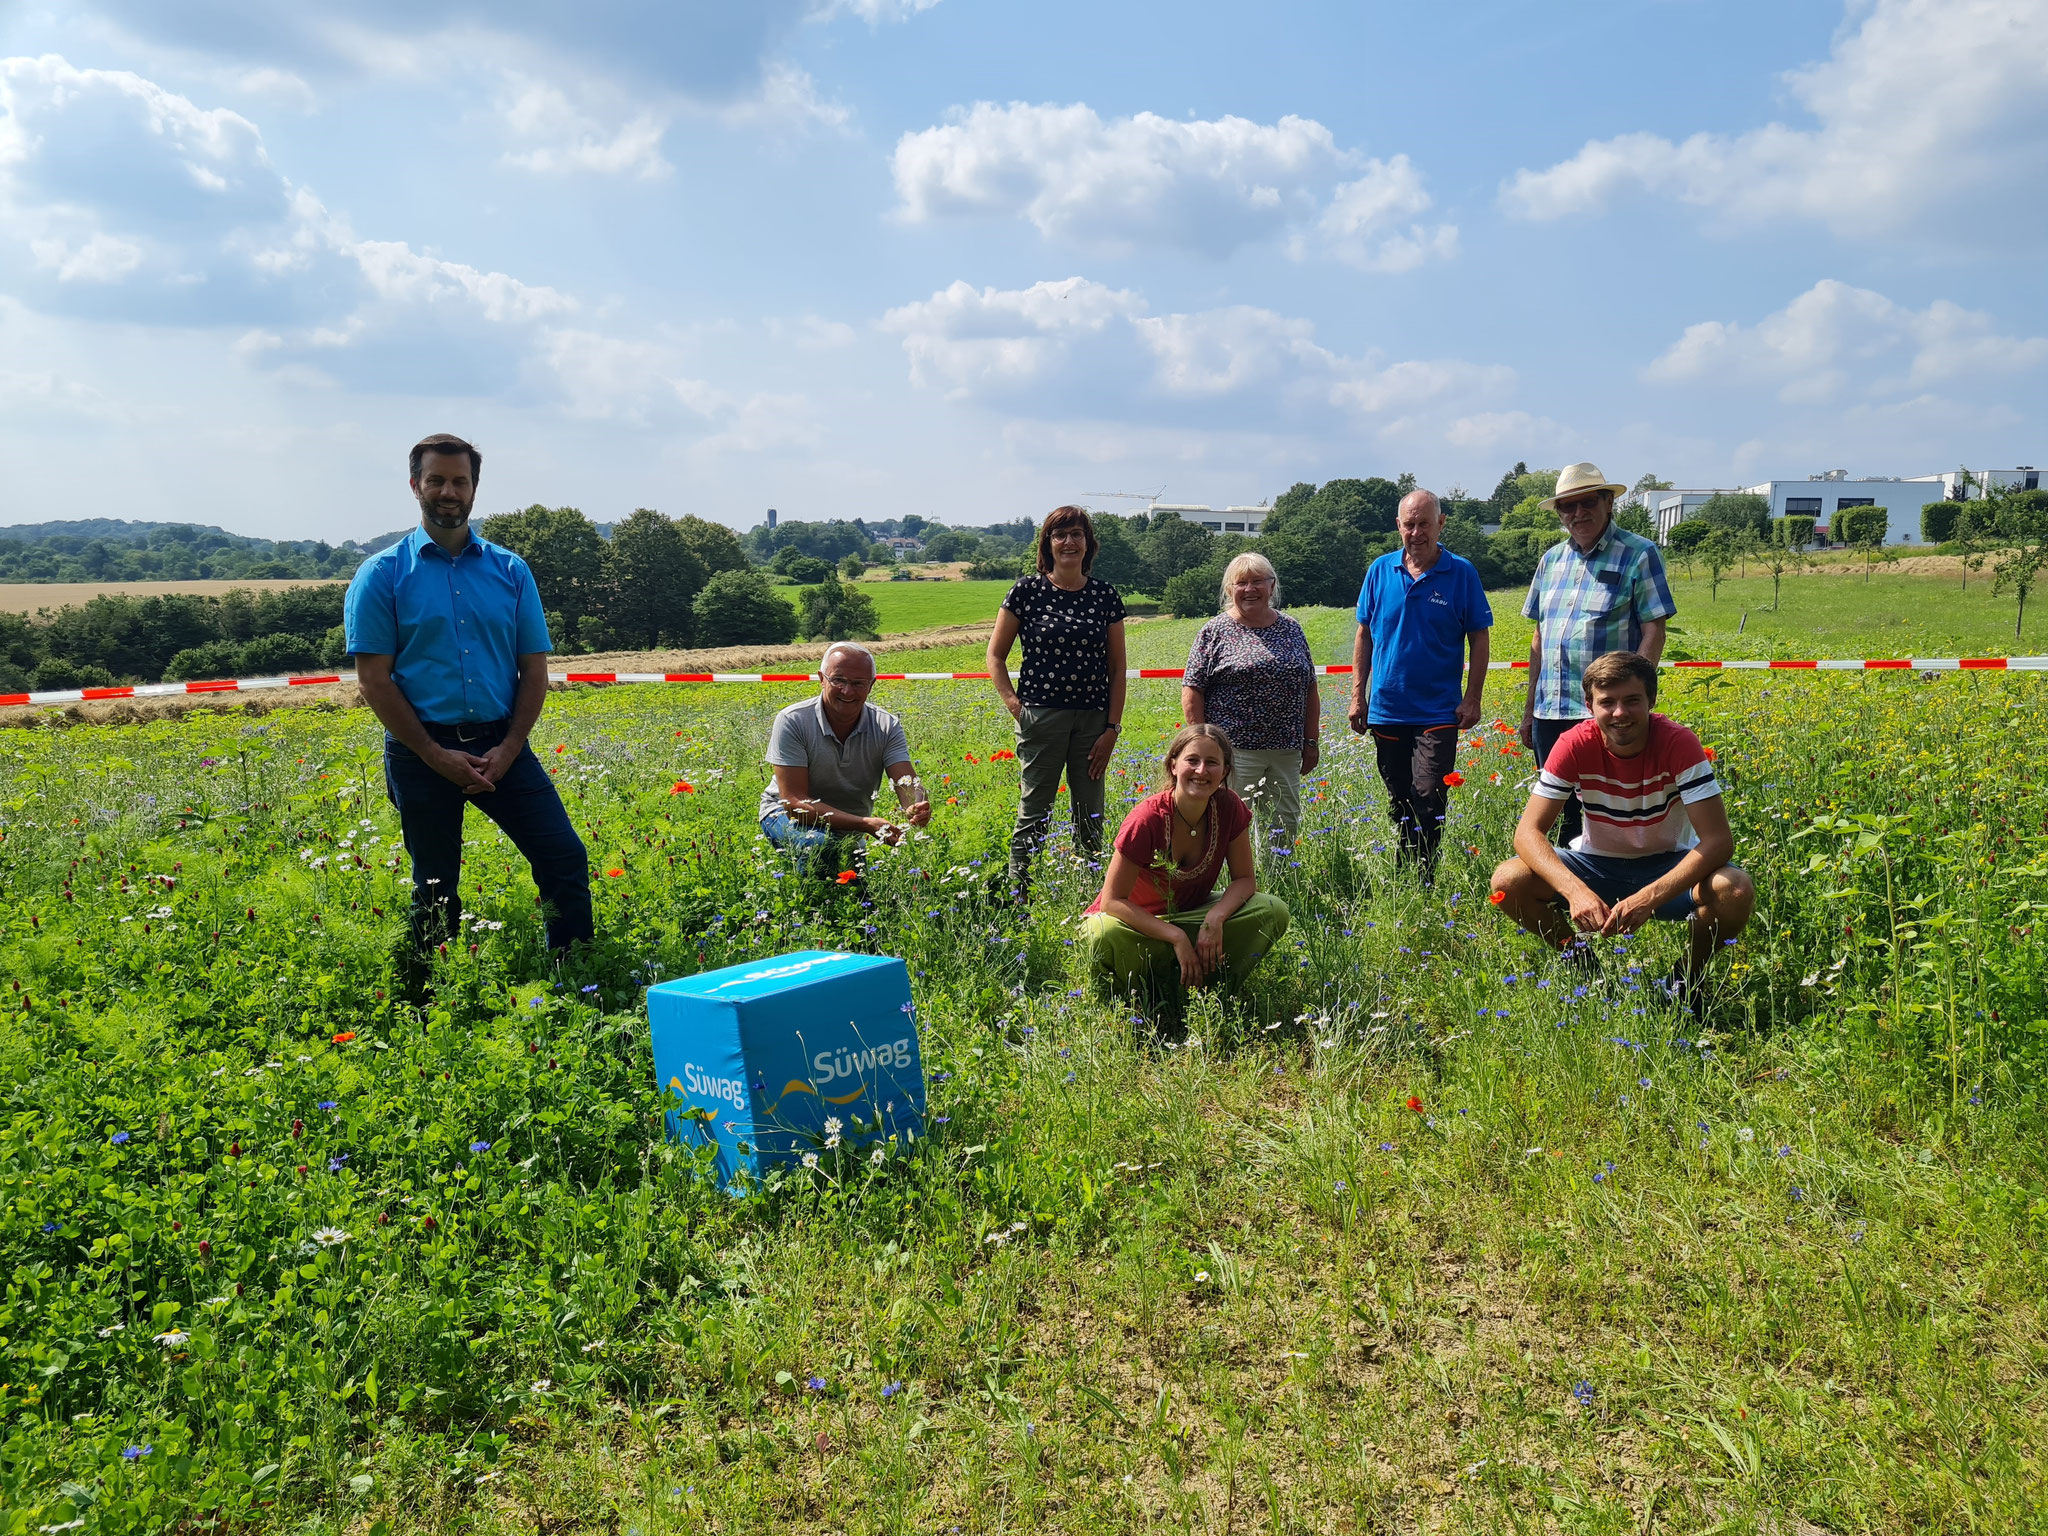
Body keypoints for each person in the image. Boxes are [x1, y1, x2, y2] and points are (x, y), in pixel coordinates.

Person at [345, 432, 593, 975]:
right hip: (420, 752)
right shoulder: (382, 575)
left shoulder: (510, 571)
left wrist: (508, 749)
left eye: (460, 480)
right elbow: (374, 681)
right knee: (435, 887)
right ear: (415, 486)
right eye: (436, 480)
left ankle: (576, 975)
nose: (448, 491)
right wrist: (437, 756)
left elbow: (534, 669)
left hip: (502, 744)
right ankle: (428, 997)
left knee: (564, 859)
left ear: (475, 488)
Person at [1489, 651, 1753, 1008]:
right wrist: (1575, 893)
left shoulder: (1679, 743)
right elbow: (1527, 833)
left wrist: (1649, 898)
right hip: (1597, 865)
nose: (1619, 713)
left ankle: (1684, 981)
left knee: (1734, 889)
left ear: (1652, 700)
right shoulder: (1573, 743)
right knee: (1508, 880)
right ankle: (1585, 971)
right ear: (1589, 704)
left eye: (1631, 701)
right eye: (1606, 702)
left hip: (1670, 865)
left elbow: (1719, 842)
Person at [1520, 462, 1676, 848]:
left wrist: (1633, 699)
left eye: (1587, 502)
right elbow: (1540, 638)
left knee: (1601, 814)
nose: (1577, 514)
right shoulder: (1551, 560)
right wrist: (1528, 710)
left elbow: (1655, 629)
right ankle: (1562, 898)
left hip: (1603, 713)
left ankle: (1611, 897)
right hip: (1550, 712)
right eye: (1566, 507)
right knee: (1553, 812)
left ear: (1608, 503)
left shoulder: (1639, 554)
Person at [1080, 724, 1291, 1000]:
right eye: (1192, 760)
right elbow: (1112, 901)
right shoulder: (1147, 819)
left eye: (1212, 762)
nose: (1202, 771)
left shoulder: (1229, 806)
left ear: (1224, 771)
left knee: (1272, 910)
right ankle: (1140, 995)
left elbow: (1244, 879)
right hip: (1135, 926)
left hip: (1193, 915)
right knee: (1101, 934)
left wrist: (1214, 919)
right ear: (1174, 766)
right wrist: (1177, 937)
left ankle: (1213, 985)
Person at [1347, 489, 1493, 880]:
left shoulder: (1461, 572)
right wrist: (1357, 695)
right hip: (1387, 710)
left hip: (1438, 711)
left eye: (1424, 523)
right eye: (1408, 524)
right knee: (1399, 799)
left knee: (1428, 795)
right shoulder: (1380, 570)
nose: (1416, 532)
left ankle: (1424, 877)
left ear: (1440, 523)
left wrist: (1472, 698)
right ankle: (1404, 870)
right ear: (1398, 526)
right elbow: (1364, 634)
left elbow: (1480, 636)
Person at [987, 506, 1127, 895]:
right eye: (1060, 535)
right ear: (1048, 544)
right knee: (1034, 812)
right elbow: (995, 656)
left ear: (1088, 543)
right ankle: (1020, 896)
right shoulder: (1026, 591)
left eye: (1077, 534)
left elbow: (1118, 670)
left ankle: (1090, 896)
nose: (1069, 542)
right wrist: (1016, 706)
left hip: (1094, 723)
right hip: (1041, 717)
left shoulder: (1104, 595)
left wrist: (1112, 729)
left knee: (1090, 814)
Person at [1181, 552, 1318, 849]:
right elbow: (1193, 688)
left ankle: (1274, 889)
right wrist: (1203, 746)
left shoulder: (1292, 628)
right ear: (1230, 590)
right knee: (1227, 827)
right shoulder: (1214, 631)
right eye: (1241, 582)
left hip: (1285, 749)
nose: (1250, 589)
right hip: (1233, 751)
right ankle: (1228, 889)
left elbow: (1309, 687)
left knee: (1283, 827)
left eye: (1258, 581)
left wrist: (1311, 742)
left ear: (1272, 586)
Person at [760, 641, 930, 869]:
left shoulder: (886, 725)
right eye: (838, 680)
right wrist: (864, 824)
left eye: (858, 683)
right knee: (820, 847)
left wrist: (915, 803)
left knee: (857, 891)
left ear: (871, 685)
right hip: (785, 816)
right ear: (821, 678)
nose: (847, 691)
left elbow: (906, 781)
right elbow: (793, 803)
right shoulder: (793, 720)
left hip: (850, 823)